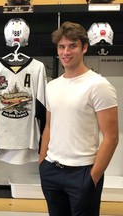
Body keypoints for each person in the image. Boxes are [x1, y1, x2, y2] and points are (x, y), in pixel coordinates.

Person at [39, 21, 118, 216]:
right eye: (61, 47)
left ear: (84, 48)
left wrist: (92, 177)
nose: (66, 52)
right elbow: (49, 126)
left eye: (72, 46)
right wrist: (42, 163)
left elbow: (111, 137)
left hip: (82, 173)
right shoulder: (52, 86)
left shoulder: (98, 85)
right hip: (52, 170)